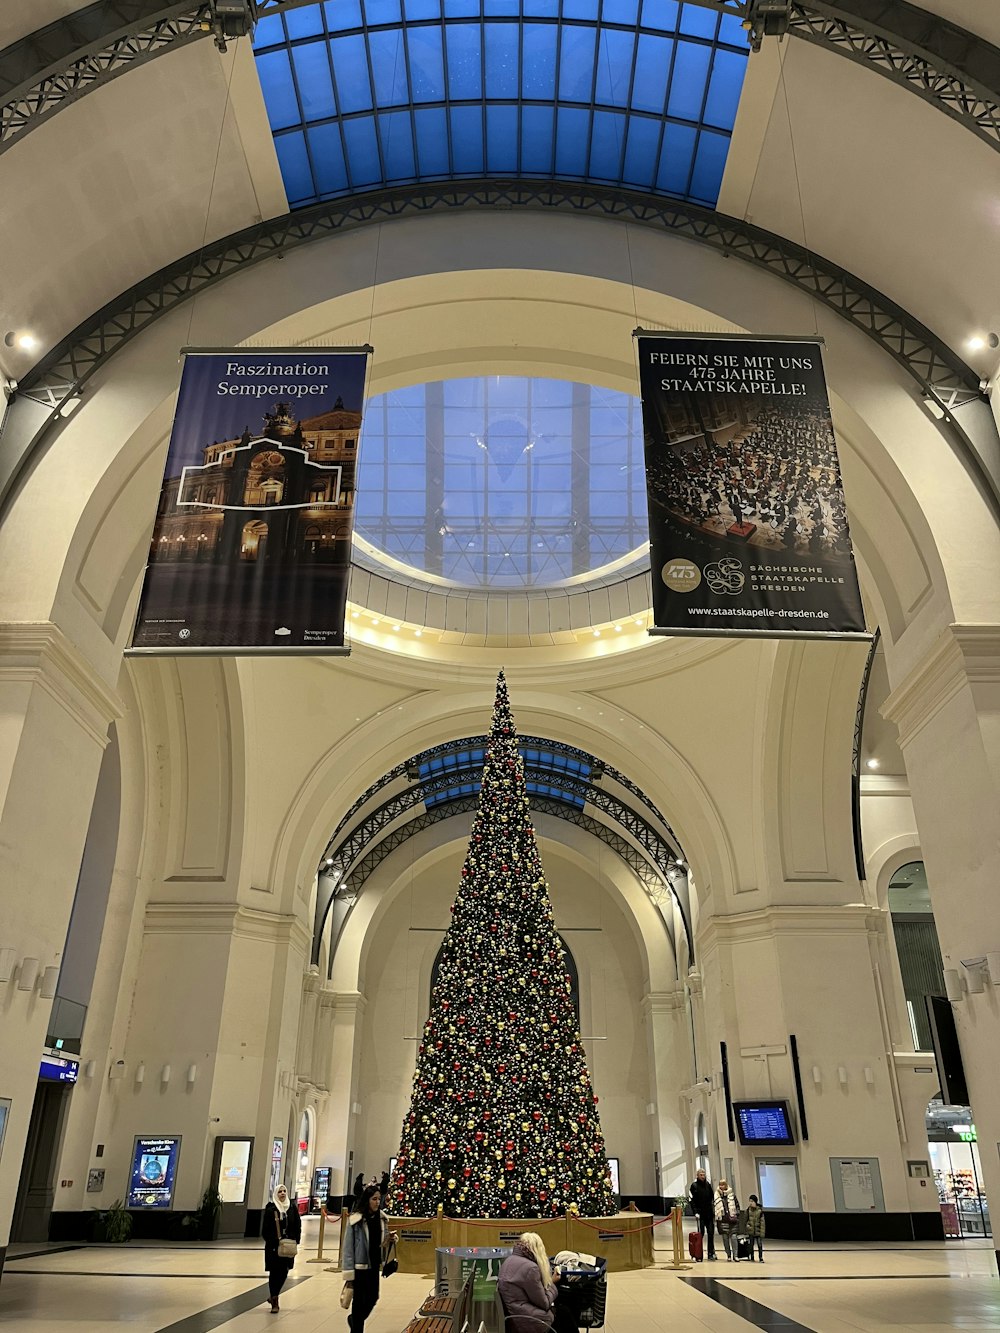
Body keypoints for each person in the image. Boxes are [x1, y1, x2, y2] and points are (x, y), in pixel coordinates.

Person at [342, 1182, 396, 1333]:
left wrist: (390, 1238)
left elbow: (382, 1240)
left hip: (374, 1265)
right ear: (367, 1200)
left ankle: (354, 1320)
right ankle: (357, 1328)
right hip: (360, 1267)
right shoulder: (356, 1220)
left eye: (379, 1199)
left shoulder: (382, 1219)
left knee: (373, 1297)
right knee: (359, 1302)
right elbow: (348, 1247)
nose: (377, 1202)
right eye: (374, 1199)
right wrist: (348, 1270)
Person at [498, 1232, 559, 1333]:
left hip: (514, 1314)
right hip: (526, 1319)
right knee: (565, 1313)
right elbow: (544, 1303)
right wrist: (552, 1283)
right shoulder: (531, 1268)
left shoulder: (509, 1260)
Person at [262, 1183, 301, 1312]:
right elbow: (265, 1230)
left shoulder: (292, 1208)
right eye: (280, 1192)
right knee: (274, 1272)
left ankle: (274, 1293)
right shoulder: (271, 1210)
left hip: (288, 1246)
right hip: (274, 1248)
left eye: (284, 1191)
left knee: (284, 1271)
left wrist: (296, 1240)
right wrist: (274, 1242)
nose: (283, 1194)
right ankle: (275, 1299)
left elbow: (297, 1226)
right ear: (276, 1194)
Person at [689, 1168, 716, 1260]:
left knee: (711, 1233)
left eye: (704, 1174)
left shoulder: (708, 1185)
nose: (703, 1176)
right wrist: (695, 1212)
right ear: (697, 1175)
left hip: (709, 1213)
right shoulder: (694, 1186)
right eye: (701, 1175)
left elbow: (712, 1197)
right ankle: (698, 1253)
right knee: (701, 1234)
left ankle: (711, 1253)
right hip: (700, 1214)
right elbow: (691, 1201)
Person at [714, 1179, 741, 1261]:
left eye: (723, 1185)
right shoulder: (716, 1196)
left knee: (734, 1238)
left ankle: (735, 1255)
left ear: (726, 1185)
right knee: (725, 1239)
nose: (722, 1186)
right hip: (723, 1221)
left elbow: (737, 1206)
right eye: (720, 1185)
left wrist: (736, 1214)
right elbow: (714, 1208)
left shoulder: (732, 1195)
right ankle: (728, 1255)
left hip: (732, 1220)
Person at [746, 1193, 766, 1262]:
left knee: (759, 1244)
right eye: (750, 1201)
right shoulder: (748, 1210)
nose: (751, 1203)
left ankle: (760, 1257)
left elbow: (762, 1223)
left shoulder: (760, 1211)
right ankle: (752, 1256)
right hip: (751, 1230)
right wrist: (747, 1226)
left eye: (752, 1201)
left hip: (758, 1230)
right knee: (751, 1245)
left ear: (755, 1202)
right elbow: (746, 1220)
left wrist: (762, 1233)